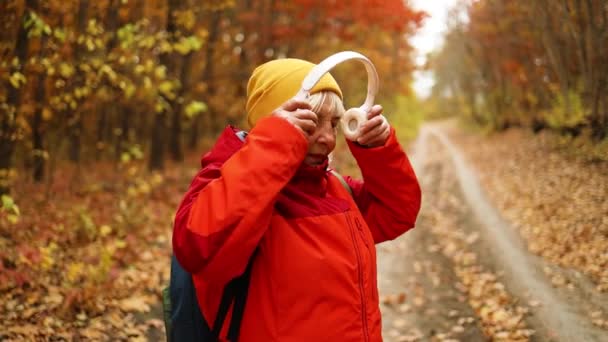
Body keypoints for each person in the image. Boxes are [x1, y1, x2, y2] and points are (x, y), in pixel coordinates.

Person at [172, 57, 421, 341]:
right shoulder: (229, 181)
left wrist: (378, 150)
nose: (327, 139)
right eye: (312, 122)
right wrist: (276, 143)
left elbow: (398, 211)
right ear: (275, 120)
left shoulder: (334, 187)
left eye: (335, 124)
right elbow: (199, 248)